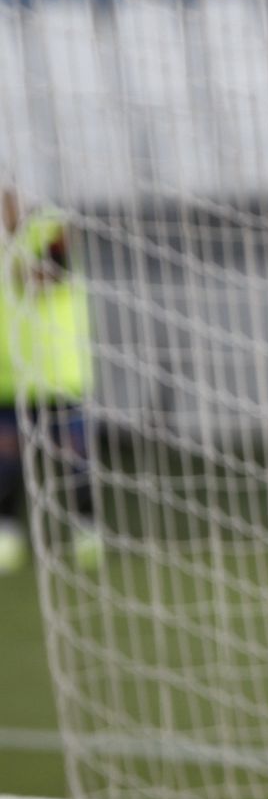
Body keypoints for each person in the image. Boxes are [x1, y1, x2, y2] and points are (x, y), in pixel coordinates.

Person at [0, 186, 99, 575]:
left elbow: (51, 271)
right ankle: (7, 535)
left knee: (74, 459)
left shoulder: (48, 228)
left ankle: (87, 533)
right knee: (6, 463)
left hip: (59, 375)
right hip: (9, 379)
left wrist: (21, 266)